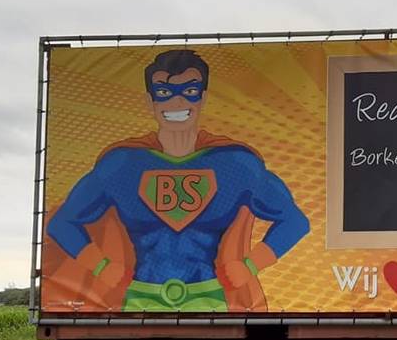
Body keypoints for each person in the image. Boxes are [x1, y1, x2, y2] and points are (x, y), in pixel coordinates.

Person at [46, 50, 308, 312]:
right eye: (164, 93)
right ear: (150, 102)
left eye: (190, 91)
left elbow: (294, 221)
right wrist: (100, 266)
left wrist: (251, 265)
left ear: (203, 98)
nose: (177, 101)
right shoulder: (124, 163)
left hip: (212, 298)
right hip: (141, 297)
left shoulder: (233, 163)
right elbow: (62, 224)